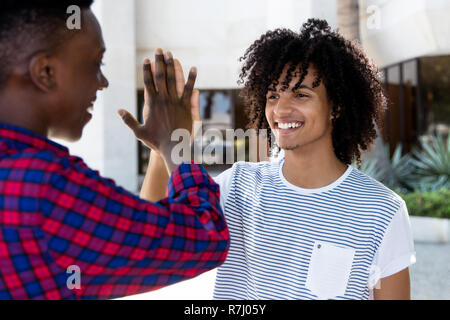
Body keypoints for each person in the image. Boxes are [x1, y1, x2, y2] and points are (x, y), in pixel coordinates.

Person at [148, 19, 416, 300]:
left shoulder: (381, 210)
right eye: (273, 95)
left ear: (335, 107)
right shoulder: (238, 187)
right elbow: (151, 238)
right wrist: (161, 145)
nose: (281, 108)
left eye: (301, 94)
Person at [0, 1, 229, 300]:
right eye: (96, 64)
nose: (103, 83)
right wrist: (176, 142)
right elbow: (204, 237)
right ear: (45, 72)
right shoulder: (43, 185)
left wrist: (162, 151)